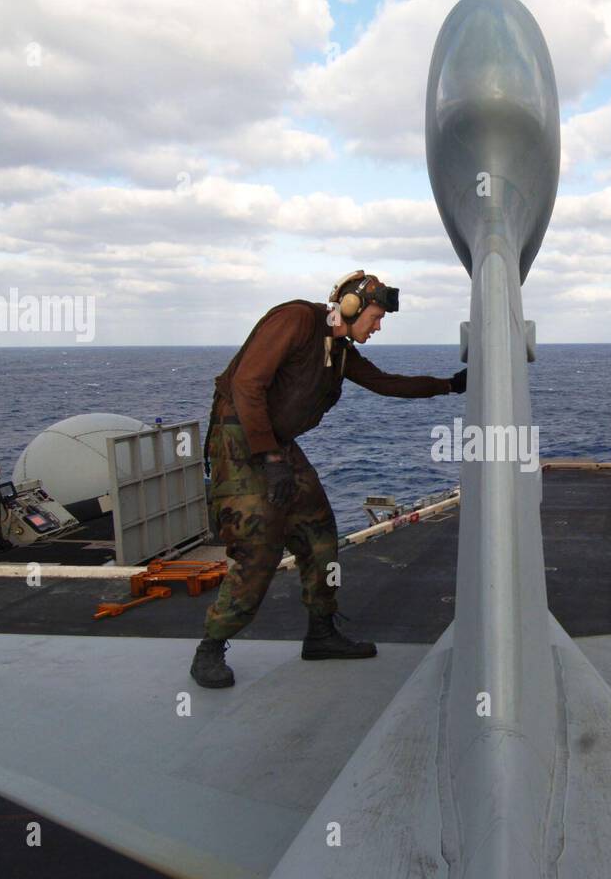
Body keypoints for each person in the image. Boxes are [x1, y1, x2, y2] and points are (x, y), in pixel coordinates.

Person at [190, 270, 468, 689]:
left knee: (319, 533)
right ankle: (210, 647)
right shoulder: (296, 321)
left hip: (275, 445)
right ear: (352, 306)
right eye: (375, 317)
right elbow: (247, 384)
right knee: (258, 548)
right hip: (240, 440)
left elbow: (385, 383)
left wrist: (449, 386)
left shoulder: (337, 350)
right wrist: (269, 457)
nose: (377, 327)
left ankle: (321, 632)